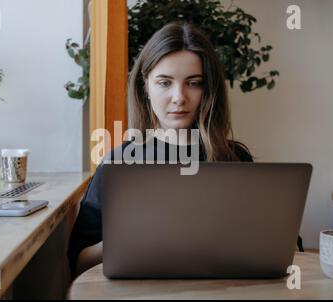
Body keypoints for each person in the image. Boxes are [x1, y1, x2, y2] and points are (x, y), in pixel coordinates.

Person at [68, 21, 260, 280]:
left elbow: (284, 244)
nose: (179, 97)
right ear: (145, 86)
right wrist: (121, 241)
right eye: (164, 82)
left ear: (209, 90)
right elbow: (78, 263)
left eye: (193, 83)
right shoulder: (120, 164)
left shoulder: (234, 159)